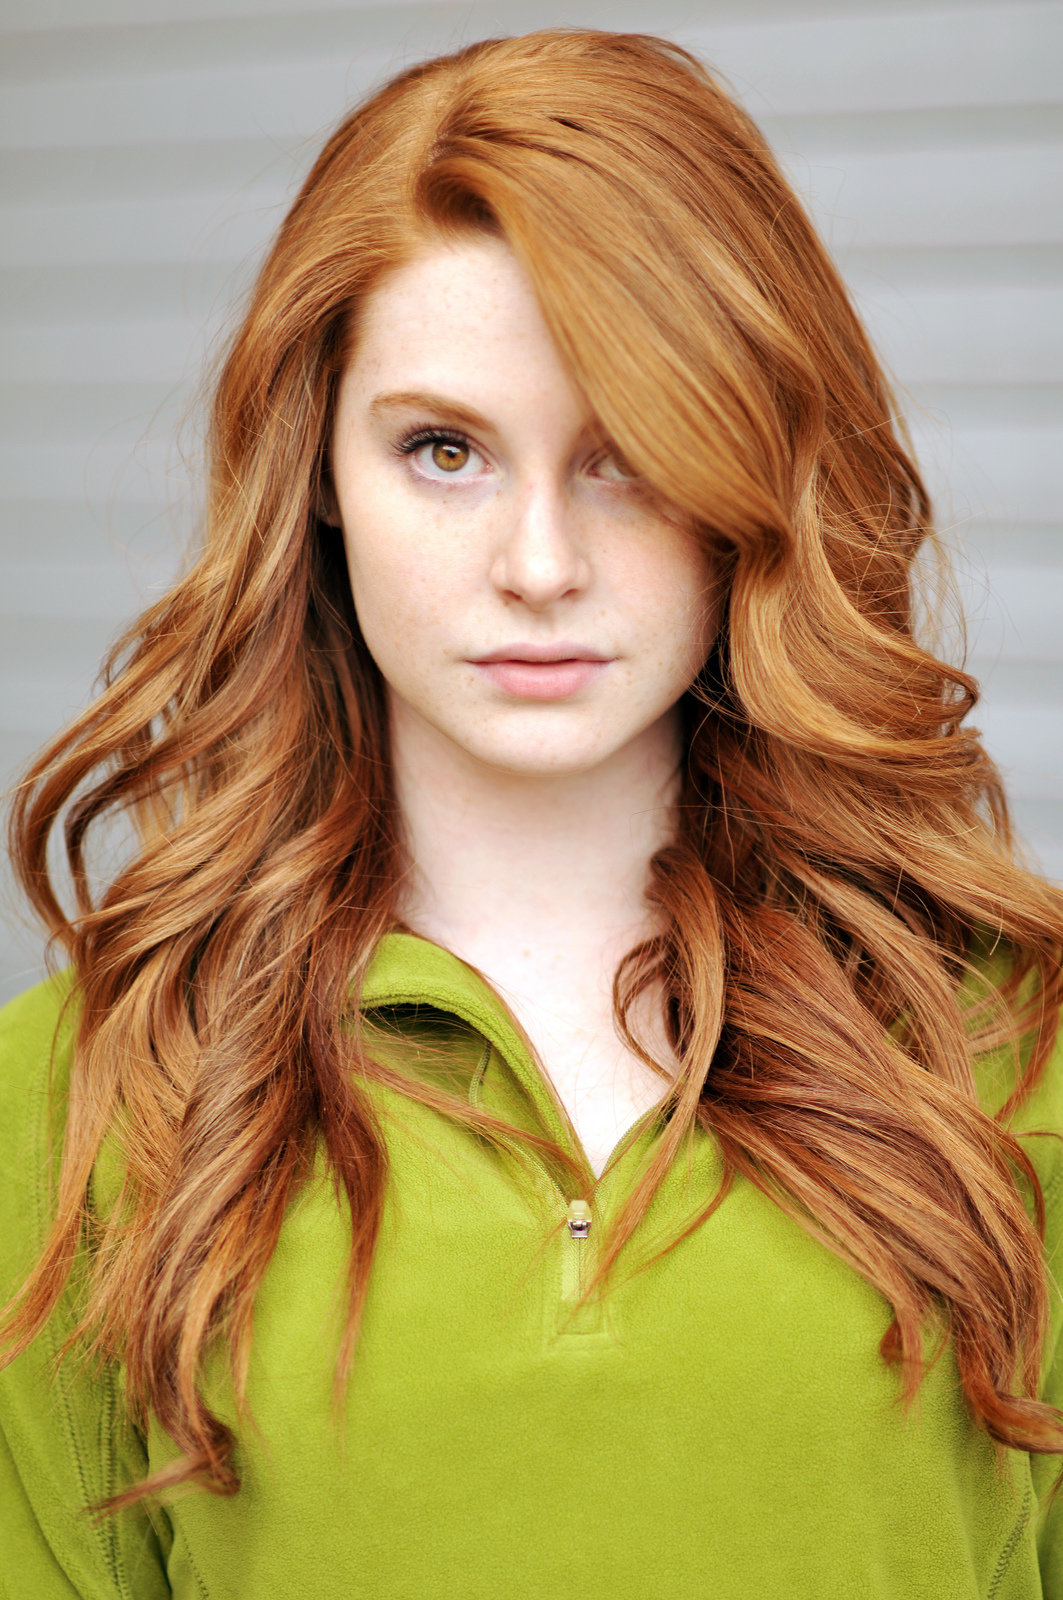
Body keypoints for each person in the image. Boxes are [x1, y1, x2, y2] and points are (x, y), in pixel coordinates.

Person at [1, 27, 1061, 1600]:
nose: (541, 564)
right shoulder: (83, 1086)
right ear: (320, 470)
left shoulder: (1015, 1044)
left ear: (753, 468)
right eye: (445, 451)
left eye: (628, 455)